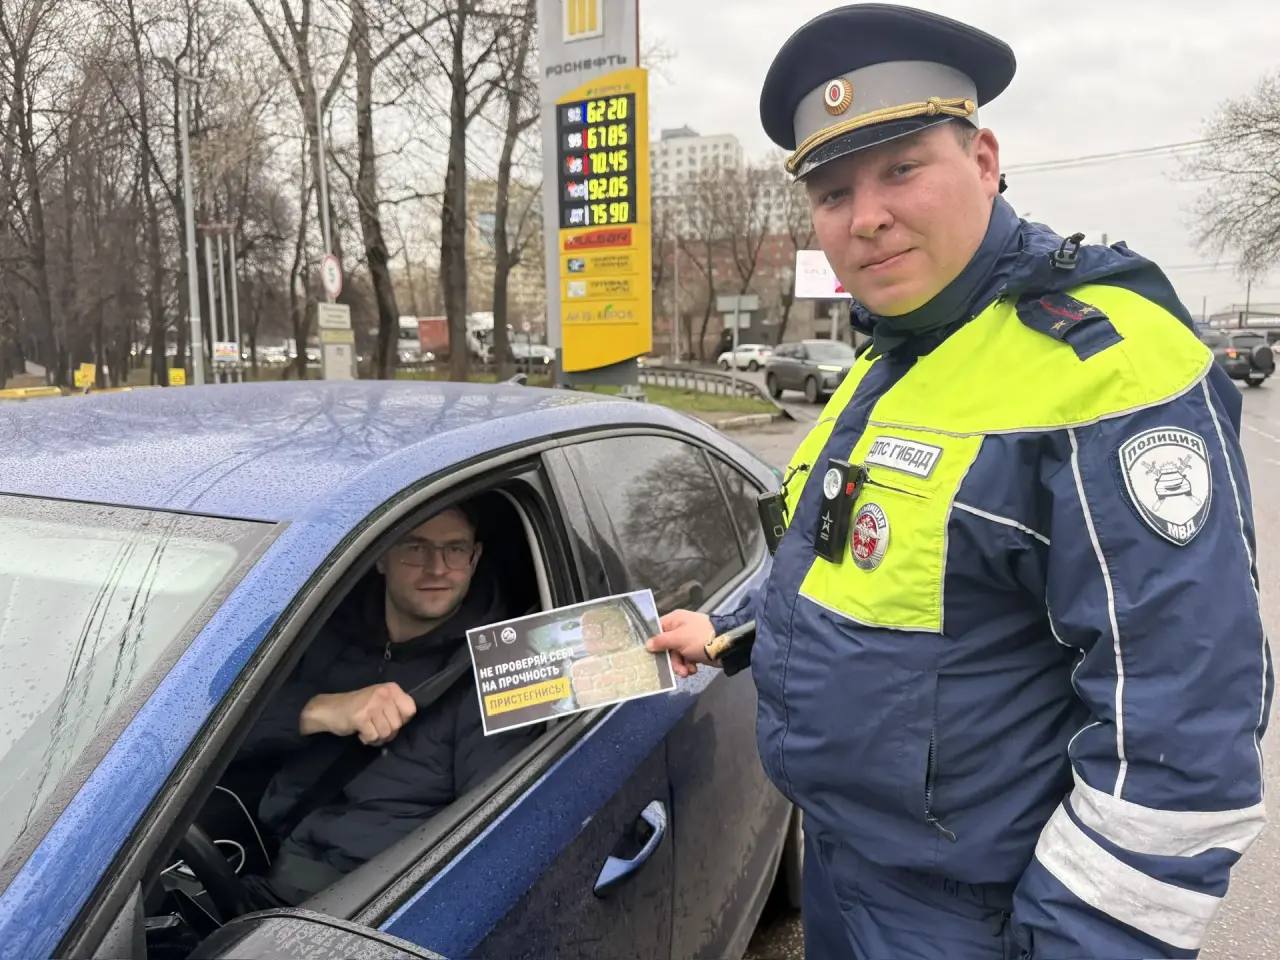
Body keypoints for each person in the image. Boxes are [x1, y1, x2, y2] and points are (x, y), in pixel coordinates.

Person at [648, 6, 1271, 958]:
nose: (865, 217)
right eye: (831, 191)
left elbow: (1180, 736)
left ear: (983, 160)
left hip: (984, 912)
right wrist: (734, 637)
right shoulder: (890, 358)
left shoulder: (1105, 368)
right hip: (850, 875)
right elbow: (858, 571)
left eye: (901, 169)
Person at [236, 501, 539, 906]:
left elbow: (492, 835)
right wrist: (320, 709)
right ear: (381, 557)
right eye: (415, 548)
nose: (437, 568)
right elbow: (221, 731)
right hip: (266, 848)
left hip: (364, 900)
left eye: (455, 549)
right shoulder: (320, 623)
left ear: (475, 557)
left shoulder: (502, 665)